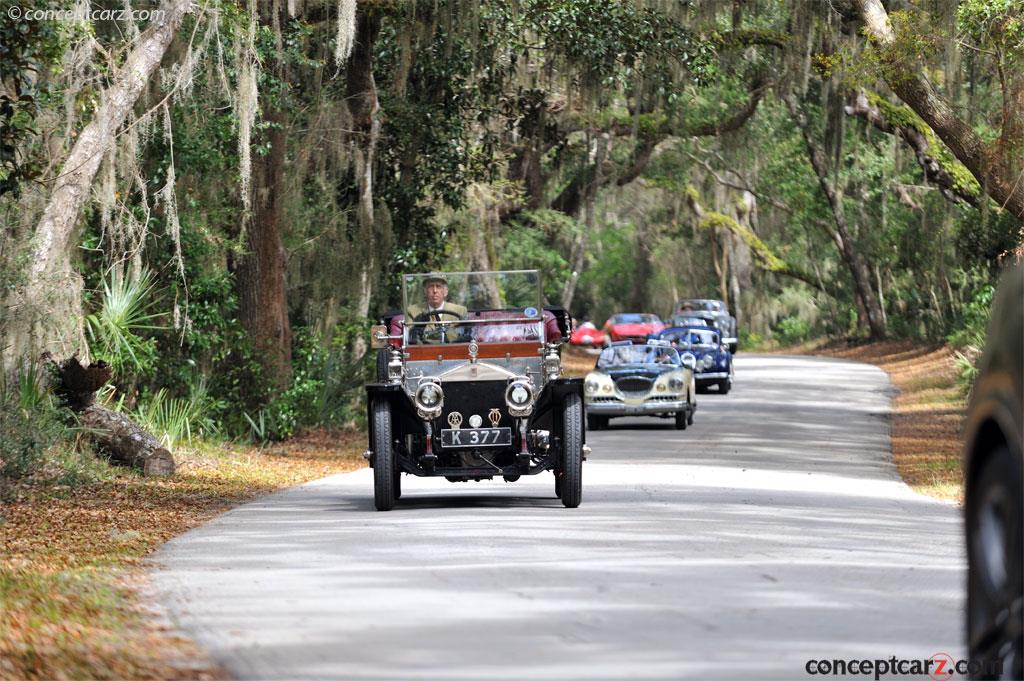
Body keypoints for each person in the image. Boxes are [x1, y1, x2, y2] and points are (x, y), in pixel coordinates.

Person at [406, 274, 468, 343]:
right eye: (430, 287)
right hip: (424, 352)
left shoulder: (460, 311)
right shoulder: (412, 311)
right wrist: (418, 327)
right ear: (425, 291)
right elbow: (410, 340)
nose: (435, 291)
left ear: (445, 292)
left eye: (438, 286)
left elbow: (464, 338)